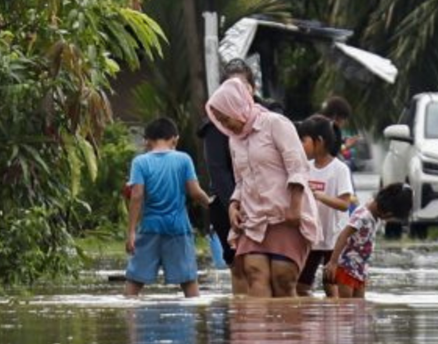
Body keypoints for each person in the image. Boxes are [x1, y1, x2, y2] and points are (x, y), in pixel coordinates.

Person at [206, 77, 320, 298]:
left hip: (286, 215)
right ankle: (259, 332)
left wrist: (295, 207)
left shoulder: (275, 124)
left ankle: (289, 331)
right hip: (254, 218)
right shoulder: (234, 140)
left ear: (236, 105)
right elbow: (241, 180)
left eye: (224, 117)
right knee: (254, 273)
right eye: (219, 120)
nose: (224, 124)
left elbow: (297, 167)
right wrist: (233, 205)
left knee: (283, 278)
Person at [125, 117, 212, 297]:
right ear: (175, 138)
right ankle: (190, 325)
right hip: (178, 228)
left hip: (150, 228)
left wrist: (131, 231)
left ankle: (131, 323)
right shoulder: (183, 159)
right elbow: (195, 192)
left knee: (134, 282)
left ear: (147, 140)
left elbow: (137, 196)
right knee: (189, 282)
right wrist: (212, 204)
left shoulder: (140, 162)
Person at [199, 60, 260, 294]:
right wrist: (235, 207)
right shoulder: (216, 126)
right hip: (230, 206)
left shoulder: (270, 118)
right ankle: (242, 323)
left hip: (267, 204)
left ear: (252, 88)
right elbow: (218, 170)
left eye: (243, 86)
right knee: (240, 266)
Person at [295, 115, 354, 297]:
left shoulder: (339, 169)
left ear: (319, 142)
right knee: (300, 286)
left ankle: (334, 323)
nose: (300, 146)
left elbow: (344, 204)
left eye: (303, 141)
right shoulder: (306, 166)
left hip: (333, 239)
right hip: (311, 238)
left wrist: (320, 196)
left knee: (331, 286)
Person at [326, 183, 413, 299]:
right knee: (346, 306)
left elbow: (396, 192)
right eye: (390, 218)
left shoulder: (375, 213)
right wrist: (333, 262)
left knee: (359, 306)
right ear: (387, 213)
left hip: (360, 268)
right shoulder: (363, 216)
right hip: (346, 267)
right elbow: (343, 235)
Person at [320, 95, 364, 170]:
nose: (345, 122)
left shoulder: (322, 126)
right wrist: (346, 146)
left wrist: (345, 144)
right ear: (336, 116)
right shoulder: (331, 130)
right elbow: (332, 152)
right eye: (344, 118)